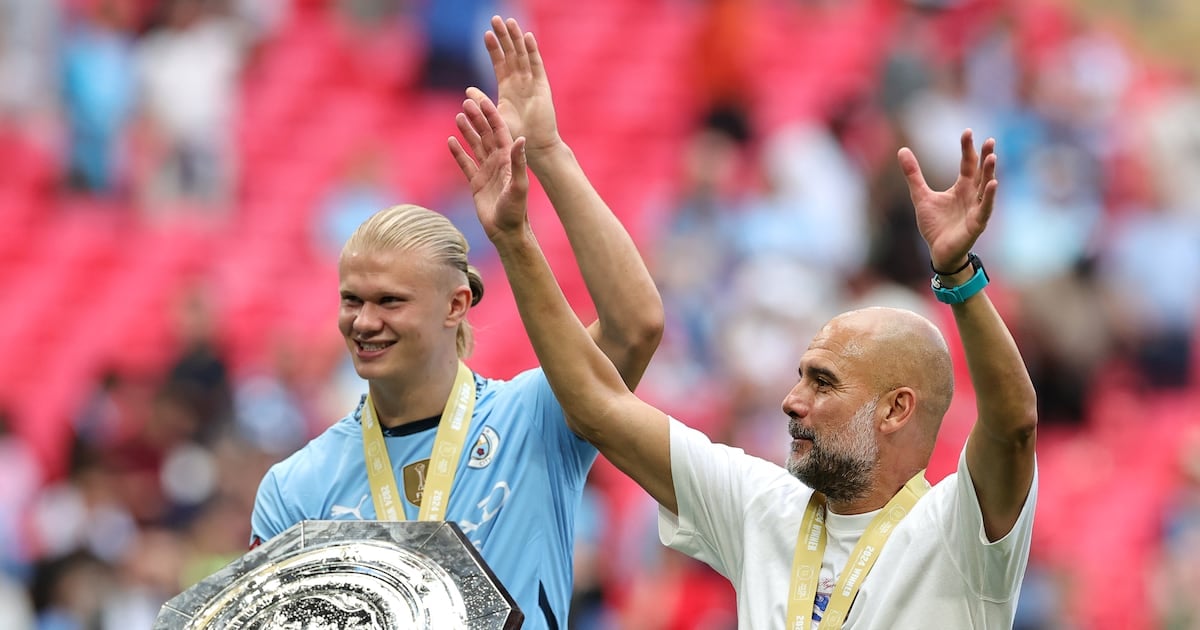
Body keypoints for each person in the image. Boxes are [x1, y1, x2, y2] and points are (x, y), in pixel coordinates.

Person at [458, 110, 1038, 628]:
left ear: (895, 408)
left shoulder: (959, 532)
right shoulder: (762, 507)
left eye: (823, 381)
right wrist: (518, 229)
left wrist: (959, 275)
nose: (791, 400)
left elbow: (1013, 426)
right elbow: (598, 404)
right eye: (800, 375)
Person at [250, 16, 663, 630]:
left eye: (390, 301)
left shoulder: (535, 419)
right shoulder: (294, 488)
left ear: (455, 306)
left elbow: (636, 326)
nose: (363, 322)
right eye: (351, 300)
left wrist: (543, 158)